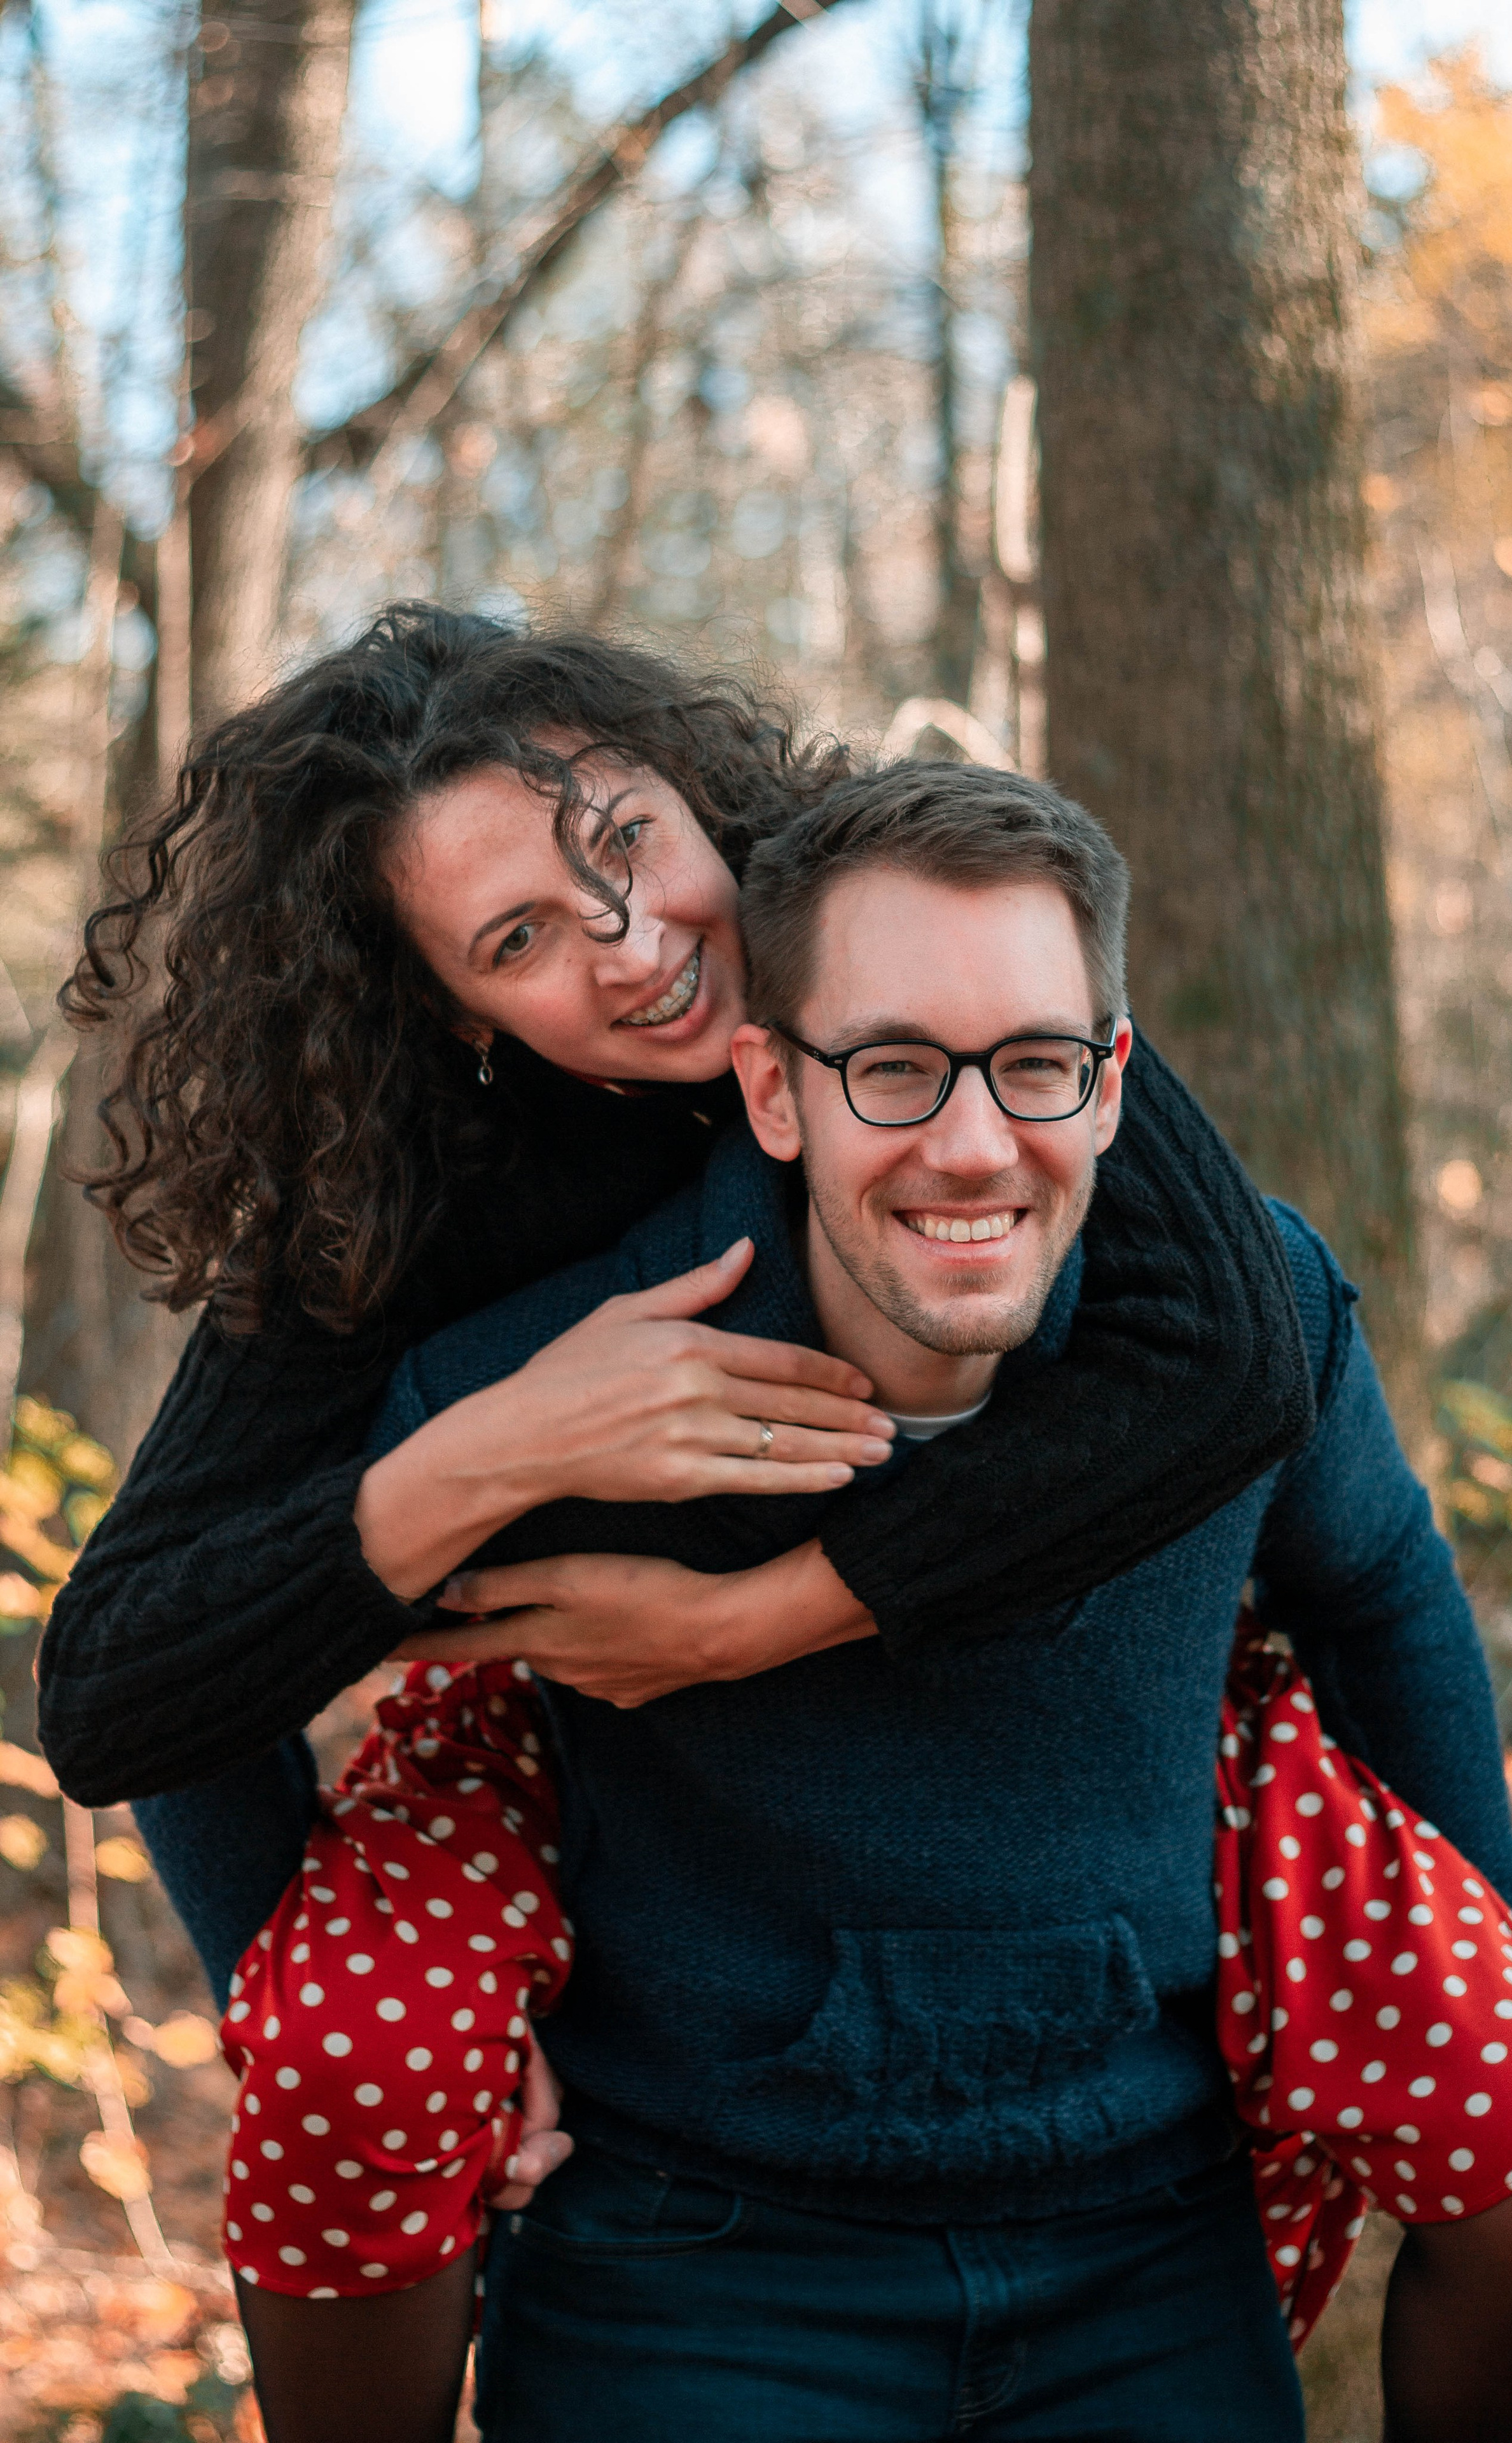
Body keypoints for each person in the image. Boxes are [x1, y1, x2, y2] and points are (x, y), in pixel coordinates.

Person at [214, 765, 1512, 2441]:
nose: (972, 1145)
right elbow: (189, 1676)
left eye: (1033, 1064)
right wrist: (318, 2028)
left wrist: (1489, 1978)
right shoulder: (569, 1377)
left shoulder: (1244, 1327)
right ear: (775, 1089)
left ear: (1111, 1084)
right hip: (693, 2259)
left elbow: (1383, 1585)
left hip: (1146, 2239)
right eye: (891, 1067)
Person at [39, 608, 1313, 2413]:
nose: (632, 952)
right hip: (640, 2009)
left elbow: (1237, 1365)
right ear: (444, 1002)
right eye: (519, 941)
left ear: (693, 788)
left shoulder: (888, 920)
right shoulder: (407, 1195)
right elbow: (123, 1687)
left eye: (623, 846)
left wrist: (766, 1608)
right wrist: (498, 1442)